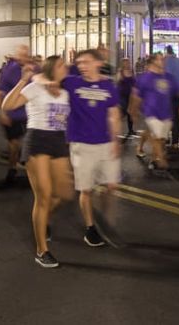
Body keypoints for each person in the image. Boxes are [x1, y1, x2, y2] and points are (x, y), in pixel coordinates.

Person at [2, 56, 73, 268]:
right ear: (52, 69)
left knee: (64, 194)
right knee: (44, 197)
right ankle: (42, 250)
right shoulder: (34, 87)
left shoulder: (65, 93)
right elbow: (8, 105)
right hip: (37, 141)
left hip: (59, 141)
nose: (65, 67)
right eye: (61, 64)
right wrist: (24, 80)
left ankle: (42, 221)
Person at [63, 49, 121, 251]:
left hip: (105, 143)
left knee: (111, 185)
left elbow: (113, 114)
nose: (82, 66)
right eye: (79, 63)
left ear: (99, 63)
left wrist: (115, 140)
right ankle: (90, 227)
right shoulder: (71, 83)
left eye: (86, 62)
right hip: (82, 145)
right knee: (86, 189)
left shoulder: (108, 85)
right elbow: (46, 77)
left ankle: (105, 219)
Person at [0, 45, 33, 188]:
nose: (24, 57)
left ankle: (32, 170)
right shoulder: (9, 71)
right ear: (17, 56)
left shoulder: (35, 69)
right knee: (14, 145)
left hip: (31, 114)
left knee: (32, 144)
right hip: (13, 114)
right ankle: (12, 168)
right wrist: (2, 112)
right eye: (21, 54)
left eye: (26, 54)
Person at [135, 54, 175, 172]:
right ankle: (160, 159)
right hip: (150, 112)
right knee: (156, 137)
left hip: (166, 113)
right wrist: (134, 110)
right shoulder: (144, 78)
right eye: (160, 59)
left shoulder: (168, 77)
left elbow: (176, 92)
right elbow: (136, 95)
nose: (163, 60)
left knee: (161, 139)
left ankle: (151, 156)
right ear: (152, 62)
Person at [116, 58, 136, 139]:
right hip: (122, 95)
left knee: (130, 113)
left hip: (131, 95)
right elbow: (117, 82)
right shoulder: (120, 72)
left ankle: (130, 130)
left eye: (128, 63)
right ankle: (116, 129)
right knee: (122, 112)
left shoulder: (132, 71)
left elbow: (135, 82)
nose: (128, 64)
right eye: (126, 63)